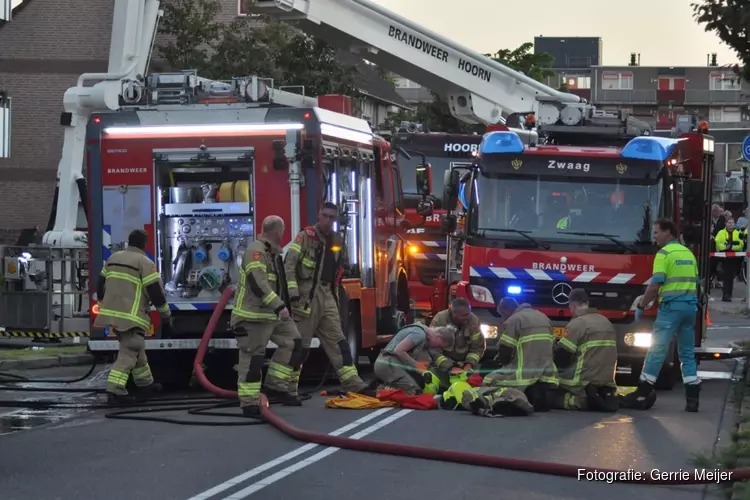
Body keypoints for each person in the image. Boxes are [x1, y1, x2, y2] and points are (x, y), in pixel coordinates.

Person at [284, 202, 370, 395]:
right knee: (301, 346)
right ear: (319, 215)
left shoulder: (337, 239)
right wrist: (293, 293)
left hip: (328, 295)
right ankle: (289, 389)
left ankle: (352, 382)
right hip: (306, 297)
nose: (328, 220)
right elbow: (289, 265)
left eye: (332, 217)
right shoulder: (305, 237)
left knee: (338, 340)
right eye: (325, 216)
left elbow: (343, 264)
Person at [231, 215, 305, 418]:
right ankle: (249, 404)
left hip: (271, 315)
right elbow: (258, 283)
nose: (283, 236)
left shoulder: (271, 252)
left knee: (294, 342)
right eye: (282, 231)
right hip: (252, 316)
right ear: (277, 231)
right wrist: (279, 305)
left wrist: (285, 306)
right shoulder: (256, 251)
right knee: (253, 358)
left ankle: (276, 387)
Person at [625, 218, 701, 412]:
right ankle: (692, 398)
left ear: (668, 232)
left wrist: (641, 305)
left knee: (656, 350)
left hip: (671, 309)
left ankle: (643, 391)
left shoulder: (664, 254)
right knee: (686, 354)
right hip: (690, 308)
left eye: (657, 232)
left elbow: (655, 285)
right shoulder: (689, 254)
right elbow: (695, 282)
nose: (654, 236)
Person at [95, 229, 169, 404]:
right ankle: (115, 390)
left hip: (112, 314)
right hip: (132, 316)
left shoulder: (113, 258)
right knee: (129, 352)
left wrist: (102, 302)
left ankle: (146, 384)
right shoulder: (144, 262)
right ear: (144, 243)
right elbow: (155, 292)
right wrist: (166, 315)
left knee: (136, 349)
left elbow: (100, 284)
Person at [548, 289, 621, 412]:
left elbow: (562, 359)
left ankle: (584, 401)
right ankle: (604, 397)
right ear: (587, 303)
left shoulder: (577, 324)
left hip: (582, 383)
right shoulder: (606, 322)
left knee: (548, 396)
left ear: (573, 306)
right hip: (606, 381)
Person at [483, 297, 558, 411]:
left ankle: (511, 399)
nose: (502, 319)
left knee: (489, 380)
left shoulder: (514, 320)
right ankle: (537, 396)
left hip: (522, 374)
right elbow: (553, 346)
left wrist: (499, 363)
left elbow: (505, 351)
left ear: (507, 311)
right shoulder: (543, 317)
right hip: (546, 373)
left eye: (502, 315)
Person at [373, 324, 456, 395]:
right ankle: (379, 390)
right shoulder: (419, 334)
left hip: (391, 364)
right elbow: (398, 351)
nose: (436, 348)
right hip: (388, 364)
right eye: (439, 346)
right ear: (438, 337)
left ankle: (383, 388)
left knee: (418, 389)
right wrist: (418, 367)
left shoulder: (423, 338)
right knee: (413, 392)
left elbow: (422, 363)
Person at [428, 298, 486, 389]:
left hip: (465, 365)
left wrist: (469, 364)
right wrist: (450, 367)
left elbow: (478, 347)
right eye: (464, 315)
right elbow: (433, 349)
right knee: (438, 386)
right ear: (453, 313)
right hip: (442, 366)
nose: (467, 317)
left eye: (468, 313)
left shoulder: (474, 321)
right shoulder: (440, 319)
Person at [715, 216, 743, 302]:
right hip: (724, 258)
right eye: (729, 223)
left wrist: (732, 247)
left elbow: (740, 244)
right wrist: (727, 247)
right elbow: (718, 243)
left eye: (732, 223)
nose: (731, 225)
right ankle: (726, 294)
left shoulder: (737, 233)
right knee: (727, 275)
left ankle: (729, 293)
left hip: (735, 258)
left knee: (731, 276)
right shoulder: (721, 233)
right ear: (725, 224)